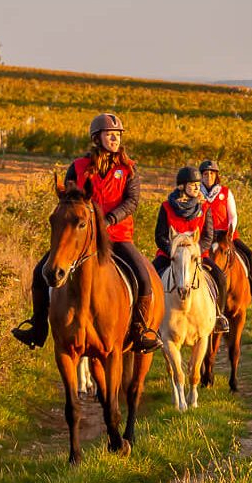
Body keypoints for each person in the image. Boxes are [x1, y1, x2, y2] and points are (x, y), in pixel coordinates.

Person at [11, 113, 161, 352]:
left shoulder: (129, 169)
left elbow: (132, 201)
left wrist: (109, 219)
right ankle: (38, 327)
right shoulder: (78, 167)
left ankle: (139, 331)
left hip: (118, 235)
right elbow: (68, 199)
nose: (114, 139)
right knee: (40, 272)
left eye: (117, 135)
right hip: (79, 238)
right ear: (96, 137)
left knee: (143, 279)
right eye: (110, 134)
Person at [157, 166, 230, 333]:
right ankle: (149, 320)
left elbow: (208, 236)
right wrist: (173, 251)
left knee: (220, 277)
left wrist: (194, 251)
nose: (197, 187)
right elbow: (159, 236)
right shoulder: (166, 207)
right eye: (193, 184)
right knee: (150, 278)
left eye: (198, 184)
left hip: (197, 255)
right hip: (170, 255)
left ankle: (219, 316)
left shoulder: (204, 208)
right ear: (182, 186)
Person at [198, 159, 252, 307]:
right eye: (205, 174)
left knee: (249, 254)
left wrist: (230, 232)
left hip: (225, 235)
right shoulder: (197, 194)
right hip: (206, 237)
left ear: (216, 175)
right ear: (201, 176)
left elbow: (233, 214)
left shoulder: (225, 192)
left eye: (211, 173)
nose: (208, 176)